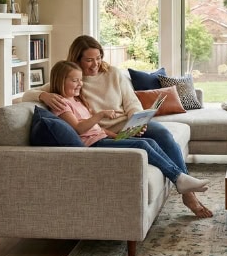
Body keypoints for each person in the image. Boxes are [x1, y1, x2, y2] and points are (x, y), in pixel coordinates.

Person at [24, 35, 213, 217]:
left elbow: (131, 101)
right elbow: (27, 95)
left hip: (125, 124)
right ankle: (185, 186)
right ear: (77, 59)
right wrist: (43, 95)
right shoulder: (71, 79)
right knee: (145, 144)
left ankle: (188, 192)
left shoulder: (112, 73)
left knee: (162, 133)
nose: (95, 63)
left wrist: (138, 121)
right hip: (100, 132)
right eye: (89, 60)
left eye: (98, 58)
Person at [46, 60, 211, 195]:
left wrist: (115, 136)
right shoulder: (61, 104)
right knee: (142, 144)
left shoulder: (77, 100)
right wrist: (100, 114)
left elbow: (96, 129)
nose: (80, 84)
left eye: (80, 80)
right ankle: (179, 178)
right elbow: (79, 129)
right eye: (75, 80)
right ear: (60, 80)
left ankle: (180, 177)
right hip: (93, 145)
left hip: (101, 139)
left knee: (150, 142)